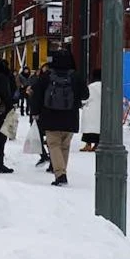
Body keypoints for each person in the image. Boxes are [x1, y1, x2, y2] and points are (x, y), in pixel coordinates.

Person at [31, 48, 83, 186]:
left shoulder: (47, 76)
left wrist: (35, 112)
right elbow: (85, 95)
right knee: (65, 146)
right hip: (70, 117)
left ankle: (60, 174)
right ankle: (62, 172)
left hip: (50, 116)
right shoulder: (75, 76)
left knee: (53, 145)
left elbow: (36, 94)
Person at [79, 70, 102, 152]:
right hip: (100, 111)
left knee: (88, 130)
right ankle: (97, 145)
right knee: (98, 130)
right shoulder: (105, 86)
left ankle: (88, 145)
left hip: (90, 110)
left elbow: (86, 98)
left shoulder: (91, 86)